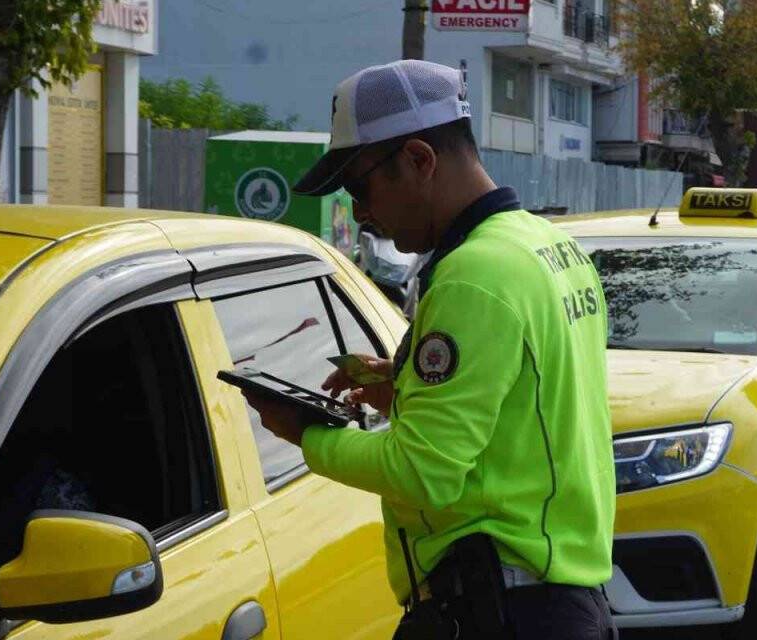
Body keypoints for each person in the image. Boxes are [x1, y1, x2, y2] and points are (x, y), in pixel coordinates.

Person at [239, 59, 617, 639]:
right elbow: (525, 409)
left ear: (420, 159)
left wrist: (306, 433)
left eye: (360, 187)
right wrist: (405, 385)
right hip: (556, 599)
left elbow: (423, 473)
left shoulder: (473, 275)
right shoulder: (547, 247)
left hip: (501, 608)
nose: (360, 212)